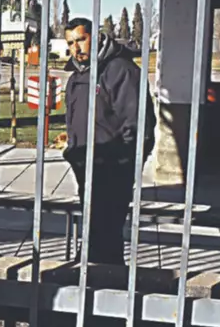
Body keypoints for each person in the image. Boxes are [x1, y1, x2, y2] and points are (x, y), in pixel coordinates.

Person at [62, 17, 156, 265]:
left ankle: (104, 280)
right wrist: (72, 148)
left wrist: (121, 162)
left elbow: (139, 125)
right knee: (95, 232)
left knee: (106, 233)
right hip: (85, 166)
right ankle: (93, 277)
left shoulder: (121, 71)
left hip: (112, 169)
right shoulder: (77, 76)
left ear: (97, 37)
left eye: (81, 40)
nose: (76, 48)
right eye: (70, 43)